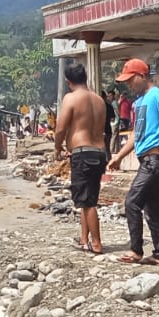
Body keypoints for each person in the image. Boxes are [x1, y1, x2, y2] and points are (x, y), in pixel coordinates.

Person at [108, 58, 159, 266]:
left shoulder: (157, 96)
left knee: (132, 201)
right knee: (152, 205)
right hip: (147, 159)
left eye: (131, 80)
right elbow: (136, 136)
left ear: (141, 76)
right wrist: (119, 156)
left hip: (156, 158)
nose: (129, 85)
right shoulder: (139, 103)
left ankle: (136, 250)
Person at [55, 63, 108, 254]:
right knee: (88, 198)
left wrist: (57, 147)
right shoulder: (99, 100)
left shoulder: (71, 98)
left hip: (82, 152)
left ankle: (96, 243)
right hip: (100, 152)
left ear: (69, 82)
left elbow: (60, 128)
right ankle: (84, 240)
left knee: (88, 202)